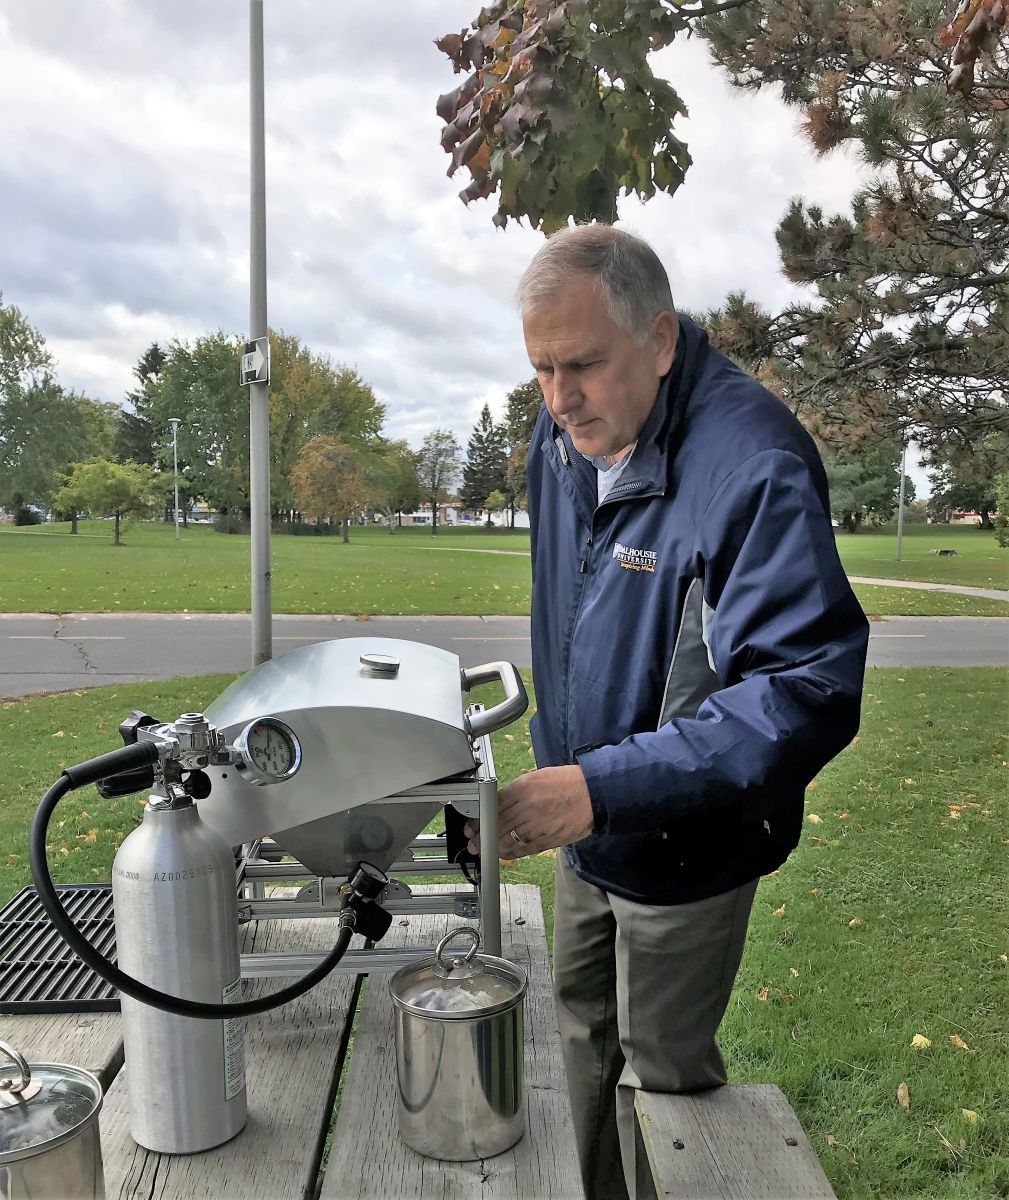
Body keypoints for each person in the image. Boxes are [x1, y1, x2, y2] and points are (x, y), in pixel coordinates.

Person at [467, 224, 869, 1200]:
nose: (559, 400)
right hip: (584, 823)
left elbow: (804, 689)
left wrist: (601, 788)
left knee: (665, 1088)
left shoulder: (753, 466)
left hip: (686, 848)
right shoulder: (558, 432)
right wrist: (576, 785)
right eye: (541, 371)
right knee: (575, 1039)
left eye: (584, 366)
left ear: (658, 341)